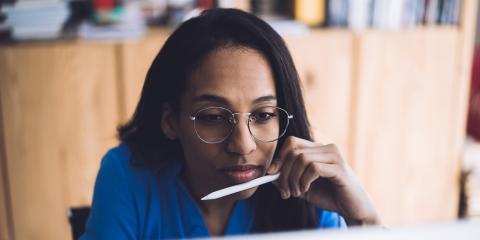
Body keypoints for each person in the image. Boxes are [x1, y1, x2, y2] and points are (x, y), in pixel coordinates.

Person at [81, 8, 380, 239]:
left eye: (263, 115)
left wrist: (362, 220)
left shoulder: (307, 185)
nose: (242, 145)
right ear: (171, 121)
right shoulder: (128, 178)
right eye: (213, 117)